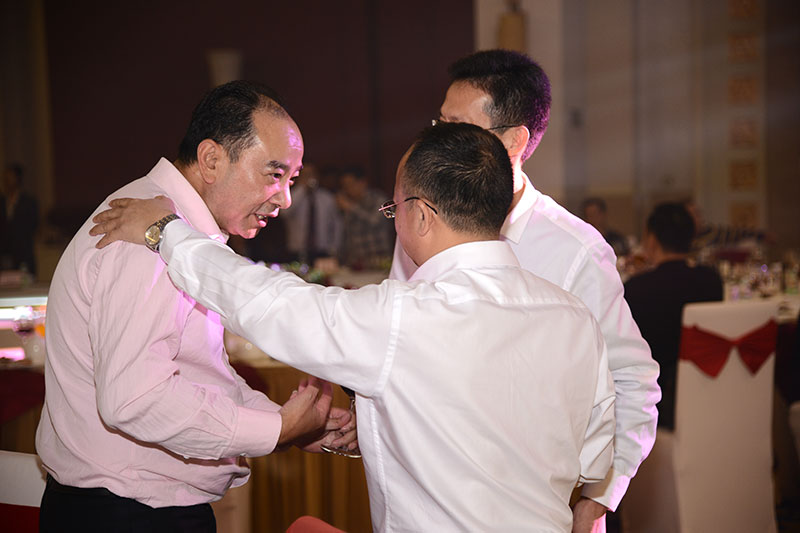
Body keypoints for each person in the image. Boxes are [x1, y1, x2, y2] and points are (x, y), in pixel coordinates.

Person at [90, 122, 617, 532]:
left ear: (421, 215)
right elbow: (588, 457)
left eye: (394, 207)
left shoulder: (406, 316)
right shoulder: (575, 319)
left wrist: (165, 232)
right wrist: (395, 427)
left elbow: (269, 304)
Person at [35, 80, 355, 532]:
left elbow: (193, 375)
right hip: (127, 513)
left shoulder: (178, 231)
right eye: (274, 174)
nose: (285, 199)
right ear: (211, 160)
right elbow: (136, 398)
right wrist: (277, 430)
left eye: (292, 180)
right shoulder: (145, 234)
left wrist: (289, 423)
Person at [388, 49, 660, 531]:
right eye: (439, 124)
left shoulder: (574, 248)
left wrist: (597, 499)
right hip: (428, 493)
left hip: (536, 505)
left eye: (458, 127)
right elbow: (399, 339)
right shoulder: (422, 216)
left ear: (514, 140)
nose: (438, 141)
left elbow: (633, 382)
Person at [623, 202, 723, 429]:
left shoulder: (638, 288)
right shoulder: (712, 280)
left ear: (651, 240)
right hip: (709, 391)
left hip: (657, 406)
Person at [282, 162, 342, 264]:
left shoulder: (327, 198)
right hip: (297, 251)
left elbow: (336, 224)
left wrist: (334, 248)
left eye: (311, 174)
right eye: (305, 175)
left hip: (322, 251)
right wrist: (301, 188)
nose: (309, 178)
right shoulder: (292, 196)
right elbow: (284, 213)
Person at [336, 166, 394, 268]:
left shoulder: (378, 198)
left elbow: (375, 221)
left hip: (379, 260)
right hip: (356, 262)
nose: (347, 189)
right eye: (344, 186)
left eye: (350, 185)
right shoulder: (346, 203)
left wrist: (351, 208)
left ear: (362, 182)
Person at [0, 164, 40, 276]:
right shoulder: (2, 202)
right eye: (5, 178)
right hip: (4, 256)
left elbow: (33, 226)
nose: (7, 181)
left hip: (24, 255)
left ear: (18, 179)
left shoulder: (29, 202)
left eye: (10, 177)